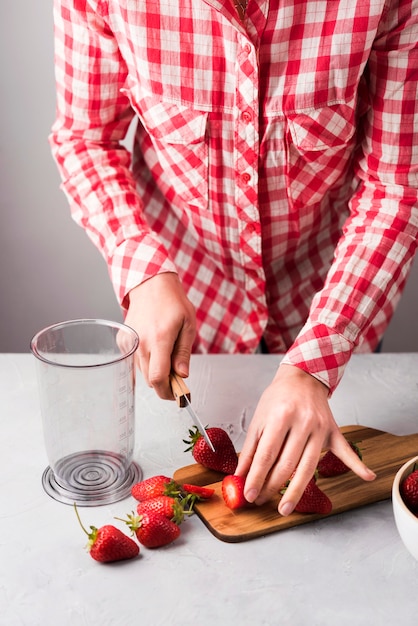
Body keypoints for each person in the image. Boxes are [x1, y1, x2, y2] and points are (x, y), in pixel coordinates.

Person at [49, 0, 418, 516]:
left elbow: (396, 188)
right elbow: (86, 140)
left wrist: (315, 364)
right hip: (192, 296)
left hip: (334, 296)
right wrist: (141, 265)